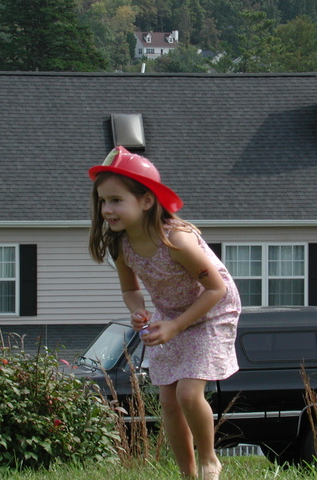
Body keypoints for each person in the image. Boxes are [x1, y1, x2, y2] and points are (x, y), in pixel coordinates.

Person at [88, 146, 241, 480]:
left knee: (188, 393)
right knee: (169, 402)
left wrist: (176, 326)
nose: (107, 209)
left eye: (116, 200)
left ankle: (209, 461)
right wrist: (138, 311)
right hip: (170, 314)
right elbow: (130, 290)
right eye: (103, 201)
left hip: (212, 312)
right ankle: (188, 473)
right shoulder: (121, 245)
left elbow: (217, 290)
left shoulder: (177, 241)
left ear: (146, 201)